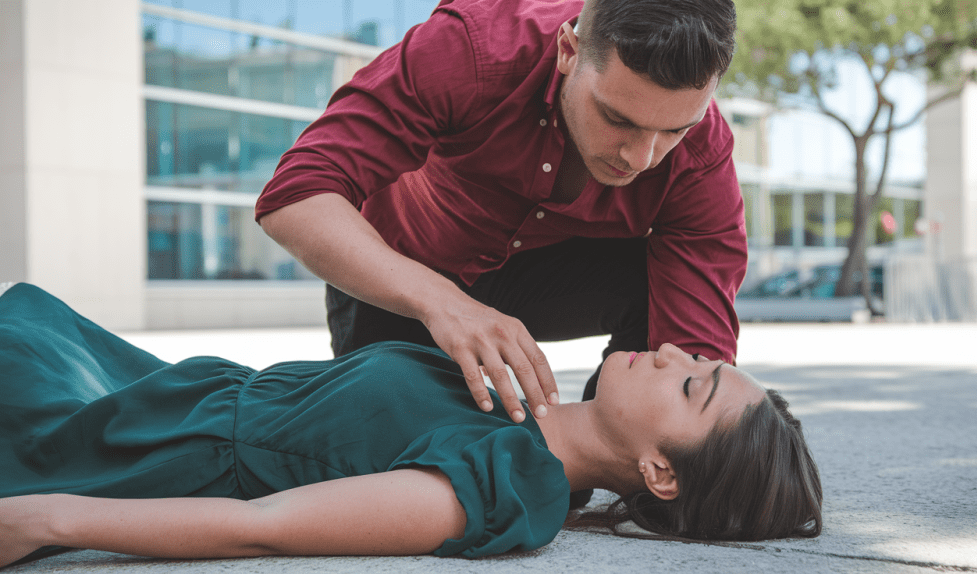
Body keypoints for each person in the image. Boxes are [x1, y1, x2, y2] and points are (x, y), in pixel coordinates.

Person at [0, 283, 821, 567]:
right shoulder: (518, 388)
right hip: (162, 390)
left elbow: (270, 527)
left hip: (143, 451)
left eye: (694, 386)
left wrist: (46, 519)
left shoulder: (511, 483)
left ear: (662, 474)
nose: (674, 349)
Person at [255, 0, 749, 429]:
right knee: (394, 448)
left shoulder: (703, 154)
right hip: (401, 273)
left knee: (668, 317)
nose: (642, 158)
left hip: (538, 277)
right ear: (568, 52)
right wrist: (440, 301)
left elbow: (696, 364)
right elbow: (295, 193)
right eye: (618, 119)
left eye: (674, 131)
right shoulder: (474, 46)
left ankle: (598, 437)